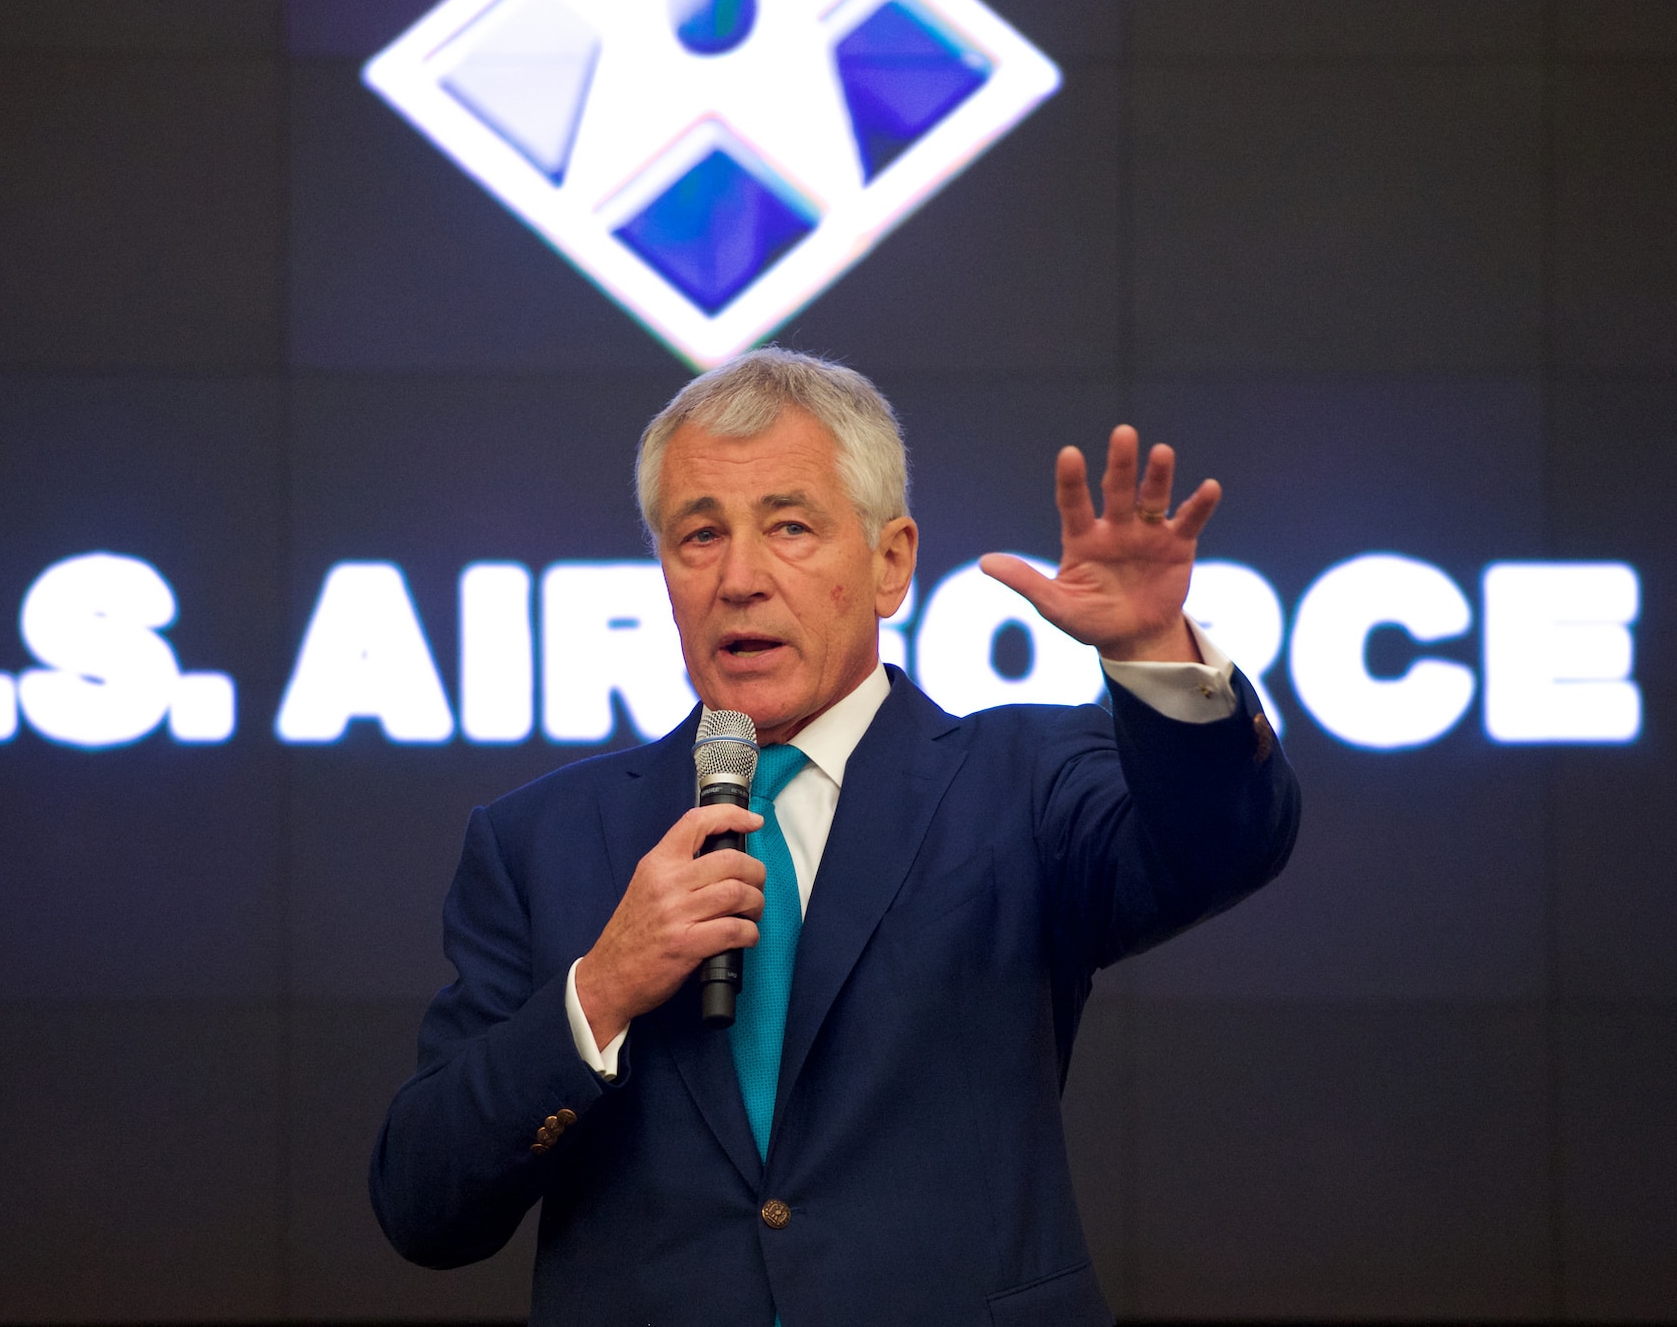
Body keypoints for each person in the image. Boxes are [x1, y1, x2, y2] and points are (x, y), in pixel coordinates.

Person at [371, 349, 1301, 1325]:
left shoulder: (1020, 783)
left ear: (889, 562)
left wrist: (1154, 657)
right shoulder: (536, 839)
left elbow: (1224, 843)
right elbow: (423, 1205)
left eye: (788, 527)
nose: (738, 578)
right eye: (698, 535)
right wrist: (600, 988)